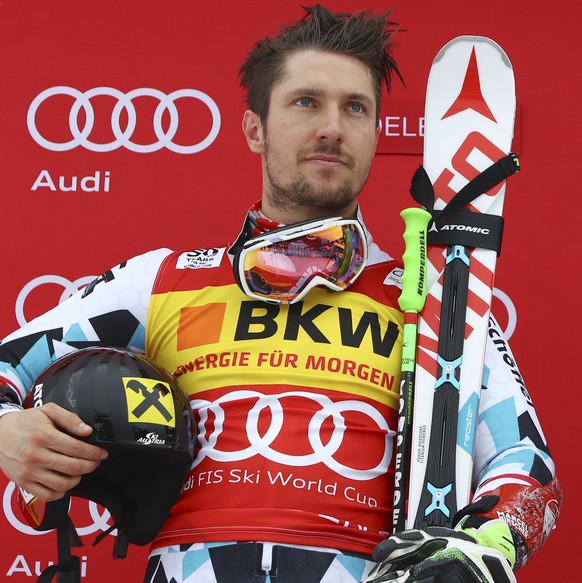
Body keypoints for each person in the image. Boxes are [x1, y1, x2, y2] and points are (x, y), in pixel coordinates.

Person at [0, 5, 561, 583]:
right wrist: (8, 433)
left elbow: (529, 471)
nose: (332, 128)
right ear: (253, 129)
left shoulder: (433, 299)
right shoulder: (163, 281)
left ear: (375, 133)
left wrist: (482, 547)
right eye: (305, 102)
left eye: (356, 108)